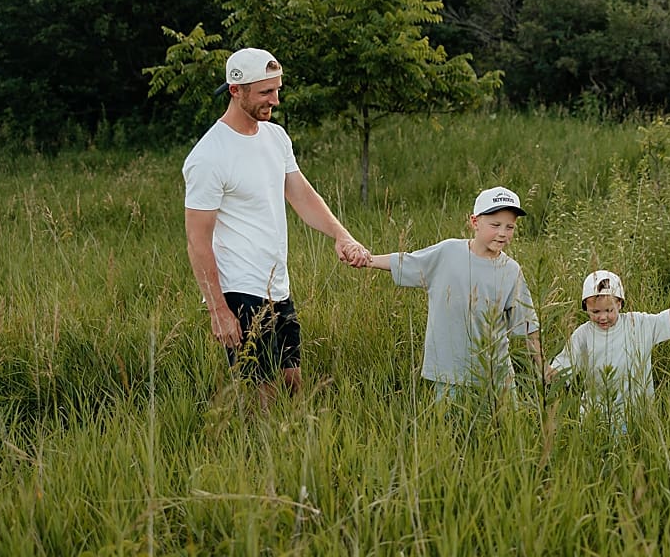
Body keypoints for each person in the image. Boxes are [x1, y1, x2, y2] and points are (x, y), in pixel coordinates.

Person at [183, 48, 370, 406]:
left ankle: (285, 457)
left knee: (291, 383)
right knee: (262, 398)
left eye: (277, 89)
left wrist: (340, 235)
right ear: (235, 90)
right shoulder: (209, 156)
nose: (276, 100)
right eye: (265, 92)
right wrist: (218, 310)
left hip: (277, 287)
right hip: (240, 292)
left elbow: (300, 195)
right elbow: (197, 241)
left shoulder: (275, 137)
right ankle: (250, 458)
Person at [361, 186, 543, 405]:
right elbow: (408, 261)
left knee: (503, 427)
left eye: (510, 227)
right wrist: (368, 260)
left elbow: (526, 324)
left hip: (495, 372)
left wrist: (540, 365)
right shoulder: (448, 252)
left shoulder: (511, 270)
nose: (503, 233)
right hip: (449, 370)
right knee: (451, 428)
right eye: (495, 225)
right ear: (475, 222)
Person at [547, 269, 670, 430]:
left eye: (609, 310)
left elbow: (664, 319)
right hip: (596, 413)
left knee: (630, 449)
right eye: (595, 312)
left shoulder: (636, 323)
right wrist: (548, 372)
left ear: (620, 304)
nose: (602, 317)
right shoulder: (583, 335)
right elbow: (564, 365)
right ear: (585, 307)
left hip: (635, 412)